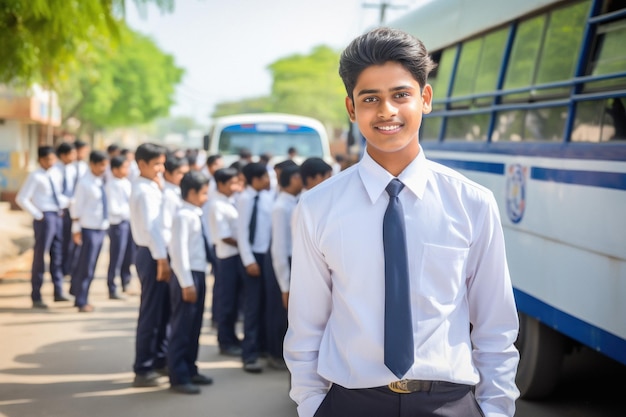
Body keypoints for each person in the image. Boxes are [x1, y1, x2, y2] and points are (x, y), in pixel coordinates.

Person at [284, 27, 520, 417]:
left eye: (400, 95)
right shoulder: (317, 207)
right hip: (350, 403)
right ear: (351, 108)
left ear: (425, 98)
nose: (387, 111)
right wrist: (312, 405)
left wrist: (495, 410)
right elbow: (307, 325)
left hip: (448, 401)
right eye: (370, 98)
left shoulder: (471, 203)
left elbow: (495, 325)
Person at [167, 170, 214, 394]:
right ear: (192, 193)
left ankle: (190, 368)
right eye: (204, 193)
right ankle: (178, 376)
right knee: (182, 328)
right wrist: (186, 283)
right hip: (187, 276)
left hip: (198, 273)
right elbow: (178, 252)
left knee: (194, 326)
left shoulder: (195, 213)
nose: (206, 198)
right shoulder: (182, 216)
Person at [129, 143, 170, 388]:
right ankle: (143, 367)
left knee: (162, 311)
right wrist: (162, 260)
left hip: (157, 252)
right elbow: (152, 228)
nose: (161, 168)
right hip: (152, 254)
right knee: (151, 313)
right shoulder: (143, 191)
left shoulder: (151, 185)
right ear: (141, 164)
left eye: (162, 163)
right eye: (156, 164)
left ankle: (158, 359)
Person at [15, 146, 68, 308]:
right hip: (44, 217)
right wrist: (38, 215)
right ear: (41, 160)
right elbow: (22, 198)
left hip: (57, 215)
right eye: (49, 159)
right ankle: (36, 295)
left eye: (54, 159)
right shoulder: (35, 176)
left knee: (57, 256)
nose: (52, 162)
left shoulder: (56, 173)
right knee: (40, 257)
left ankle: (58, 291)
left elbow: (57, 194)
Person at [265, 164, 302, 370]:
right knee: (279, 313)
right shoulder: (281, 207)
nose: (301, 180)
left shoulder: (294, 202)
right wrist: (285, 284)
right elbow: (279, 248)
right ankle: (275, 354)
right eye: (298, 177)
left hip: (290, 261)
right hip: (282, 264)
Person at [236, 162, 272, 373]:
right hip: (253, 256)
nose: (269, 181)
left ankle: (263, 348)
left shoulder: (267, 198)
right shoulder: (245, 199)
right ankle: (249, 354)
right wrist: (249, 260)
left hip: (266, 254)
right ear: (255, 179)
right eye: (265, 177)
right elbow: (242, 232)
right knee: (252, 306)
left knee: (265, 305)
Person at [206, 167, 245, 357]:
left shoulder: (230, 201)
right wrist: (245, 244)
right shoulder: (217, 205)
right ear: (220, 184)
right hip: (227, 256)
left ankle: (231, 337)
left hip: (236, 255)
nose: (235, 187)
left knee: (234, 300)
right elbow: (224, 236)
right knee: (226, 301)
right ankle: (225, 341)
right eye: (232, 183)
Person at [69, 150, 109, 313]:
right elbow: (76, 207)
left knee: (90, 265)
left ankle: (78, 294)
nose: (103, 168)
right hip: (88, 229)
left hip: (100, 228)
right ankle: (81, 299)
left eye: (105, 165)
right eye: (101, 165)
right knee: (86, 266)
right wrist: (76, 229)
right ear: (92, 164)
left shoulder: (100, 181)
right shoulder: (84, 183)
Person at [106, 155, 133, 299]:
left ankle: (125, 282)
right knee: (116, 256)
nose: (127, 170)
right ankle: (112, 287)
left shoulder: (126, 183)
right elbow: (113, 208)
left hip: (128, 222)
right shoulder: (111, 185)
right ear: (115, 170)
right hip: (118, 224)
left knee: (128, 255)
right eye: (124, 167)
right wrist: (130, 211)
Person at [51, 142, 78, 277]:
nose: (74, 156)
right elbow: (56, 193)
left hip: (70, 209)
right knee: (60, 241)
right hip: (59, 209)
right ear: (63, 155)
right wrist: (67, 201)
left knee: (70, 240)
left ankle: (67, 268)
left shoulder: (72, 169)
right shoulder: (55, 171)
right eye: (71, 154)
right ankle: (58, 268)